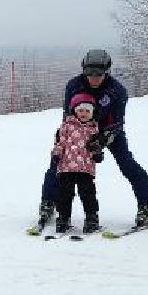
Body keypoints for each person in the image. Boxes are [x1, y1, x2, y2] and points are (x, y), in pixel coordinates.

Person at [36, 48, 148, 229]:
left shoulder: (117, 91)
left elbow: (117, 123)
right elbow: (68, 116)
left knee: (127, 163)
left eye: (99, 74)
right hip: (77, 130)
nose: (93, 78)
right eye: (89, 73)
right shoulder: (74, 85)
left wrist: (101, 140)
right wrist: (63, 139)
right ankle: (48, 203)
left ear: (107, 72)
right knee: (58, 164)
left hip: (108, 131)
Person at [46, 92, 103, 233]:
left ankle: (91, 218)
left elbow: (96, 145)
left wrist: (97, 153)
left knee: (88, 194)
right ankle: (63, 219)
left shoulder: (94, 129)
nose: (84, 113)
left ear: (92, 113)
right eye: (80, 110)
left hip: (85, 169)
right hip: (66, 168)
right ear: (75, 111)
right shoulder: (66, 126)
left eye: (87, 111)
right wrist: (56, 154)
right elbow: (61, 143)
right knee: (64, 195)